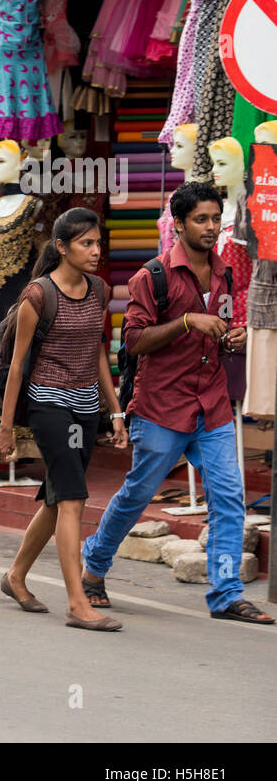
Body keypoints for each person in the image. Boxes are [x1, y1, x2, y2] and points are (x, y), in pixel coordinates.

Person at [79, 183, 272, 624]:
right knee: (137, 494)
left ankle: (226, 594)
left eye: (214, 218)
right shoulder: (152, 276)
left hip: (213, 406)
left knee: (228, 499)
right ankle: (94, 563)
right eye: (200, 219)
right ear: (180, 224)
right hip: (162, 406)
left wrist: (230, 337)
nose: (210, 227)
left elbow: (215, 334)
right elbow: (132, 341)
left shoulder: (225, 273)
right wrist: (186, 320)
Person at [0, 208, 127, 631]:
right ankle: (77, 603)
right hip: (49, 404)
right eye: (86, 243)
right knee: (72, 497)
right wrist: (4, 427)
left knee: (57, 496)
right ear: (61, 247)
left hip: (87, 406)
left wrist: (117, 411)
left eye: (98, 243)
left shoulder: (100, 291)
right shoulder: (38, 296)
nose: (95, 251)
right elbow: (17, 367)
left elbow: (99, 354)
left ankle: (15, 576)